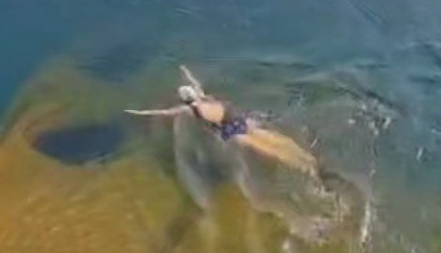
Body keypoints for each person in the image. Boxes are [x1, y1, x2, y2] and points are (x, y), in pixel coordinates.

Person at [127, 67, 320, 176]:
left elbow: (163, 113)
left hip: (229, 130)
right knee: (273, 138)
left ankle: (304, 168)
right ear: (194, 94)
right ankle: (309, 159)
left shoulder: (188, 109)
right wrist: (186, 71)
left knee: (266, 149)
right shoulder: (203, 97)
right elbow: (195, 83)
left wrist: (140, 112)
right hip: (237, 118)